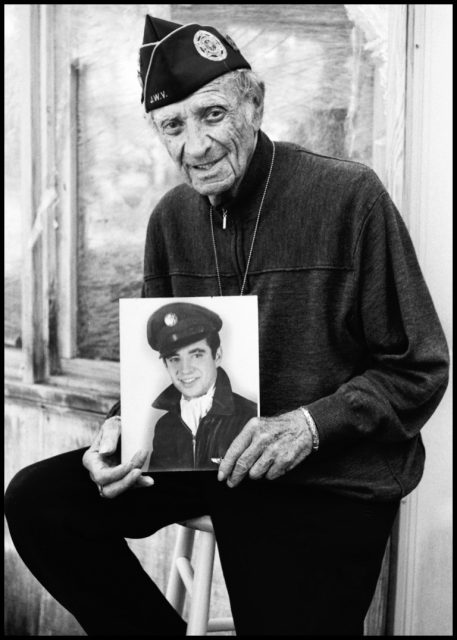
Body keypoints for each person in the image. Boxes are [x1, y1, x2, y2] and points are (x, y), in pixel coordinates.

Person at [5, 14, 449, 637]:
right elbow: (152, 358)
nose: (195, 146)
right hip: (200, 460)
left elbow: (418, 369)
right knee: (39, 501)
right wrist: (118, 428)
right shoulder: (170, 219)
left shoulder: (350, 197)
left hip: (324, 476)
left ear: (255, 103)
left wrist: (308, 426)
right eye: (172, 126)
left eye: (212, 115)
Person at [146, 302, 257, 471]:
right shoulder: (164, 426)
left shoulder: (250, 418)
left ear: (217, 356)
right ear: (166, 365)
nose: (185, 370)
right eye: (174, 359)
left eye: (196, 355)